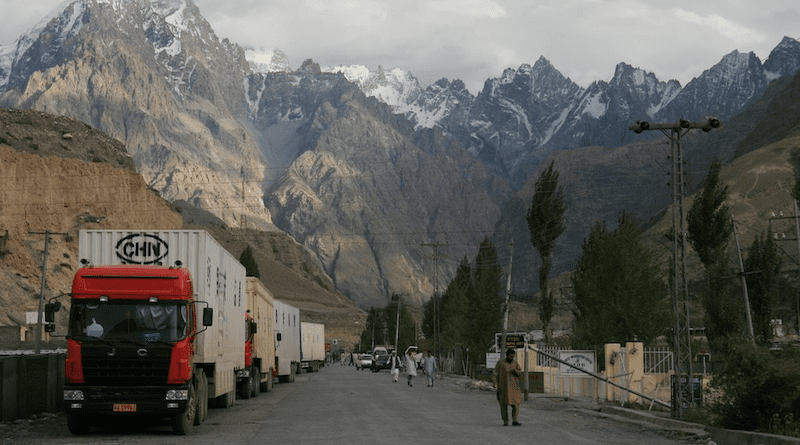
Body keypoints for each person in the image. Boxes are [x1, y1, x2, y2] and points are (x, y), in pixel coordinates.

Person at [492, 348, 523, 426]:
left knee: (516, 405)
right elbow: (495, 374)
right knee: (503, 405)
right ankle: (505, 421)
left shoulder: (515, 363)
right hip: (503, 388)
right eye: (510, 356)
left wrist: (515, 371)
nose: (511, 358)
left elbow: (520, 373)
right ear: (507, 355)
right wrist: (495, 383)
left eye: (513, 356)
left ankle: (515, 420)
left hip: (514, 388)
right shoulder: (500, 363)